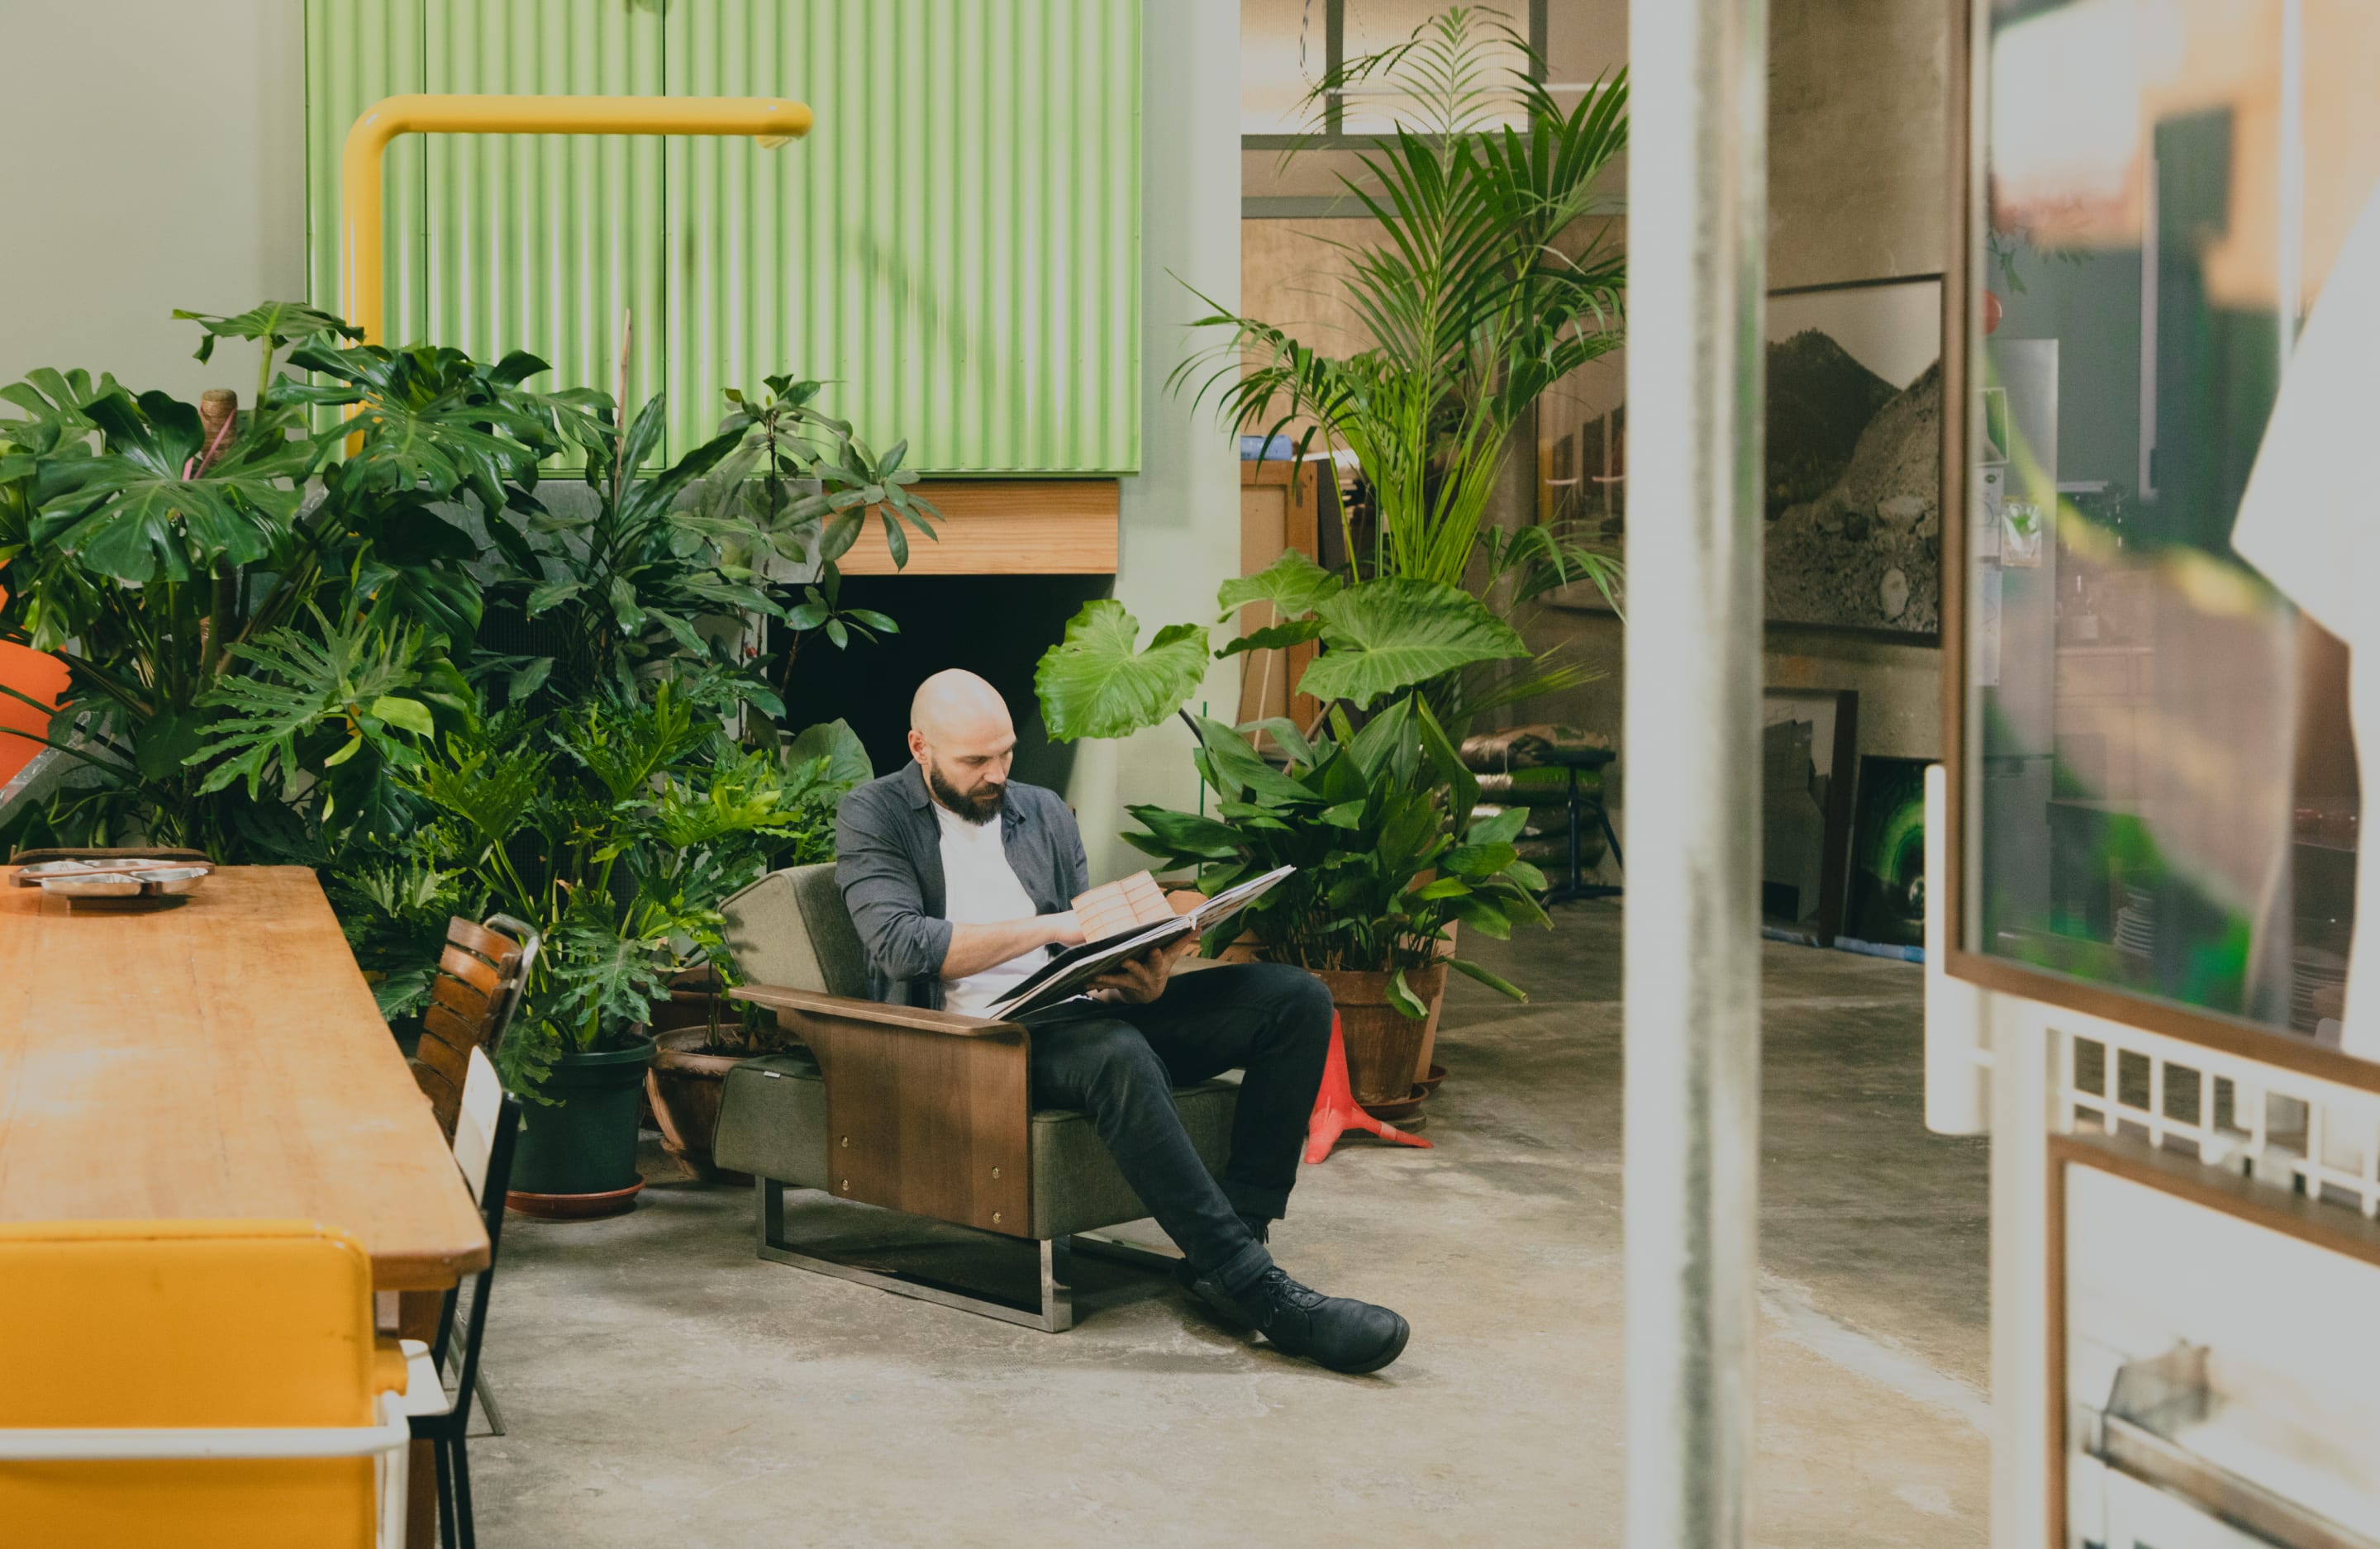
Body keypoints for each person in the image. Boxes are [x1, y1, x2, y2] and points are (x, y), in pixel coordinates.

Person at [834, 668, 1410, 1374]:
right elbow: (899, 941)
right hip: (980, 1043)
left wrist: (1140, 974)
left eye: (1007, 753)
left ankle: (1238, 1239)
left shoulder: (1041, 811)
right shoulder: (873, 815)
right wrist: (1053, 927)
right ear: (920, 748)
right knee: (1116, 1053)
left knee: (1294, 1001)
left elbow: (1092, 943)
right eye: (975, 761)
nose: (997, 774)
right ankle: (1260, 1292)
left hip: (1074, 1009)